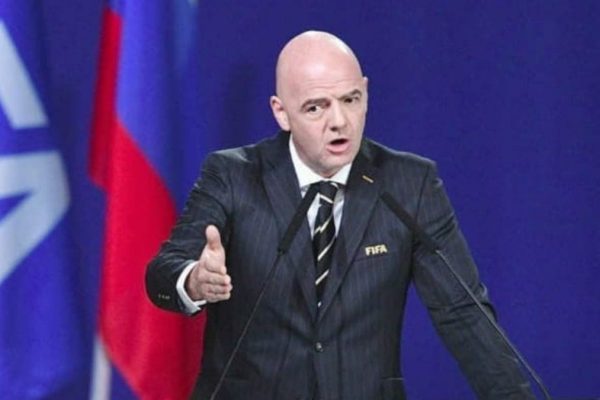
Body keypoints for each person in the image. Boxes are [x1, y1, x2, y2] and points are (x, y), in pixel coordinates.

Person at [146, 31, 534, 400]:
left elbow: (463, 312)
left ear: (365, 93)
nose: (339, 121)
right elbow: (163, 272)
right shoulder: (234, 176)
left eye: (350, 100)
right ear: (281, 113)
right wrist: (194, 281)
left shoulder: (409, 184)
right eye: (316, 107)